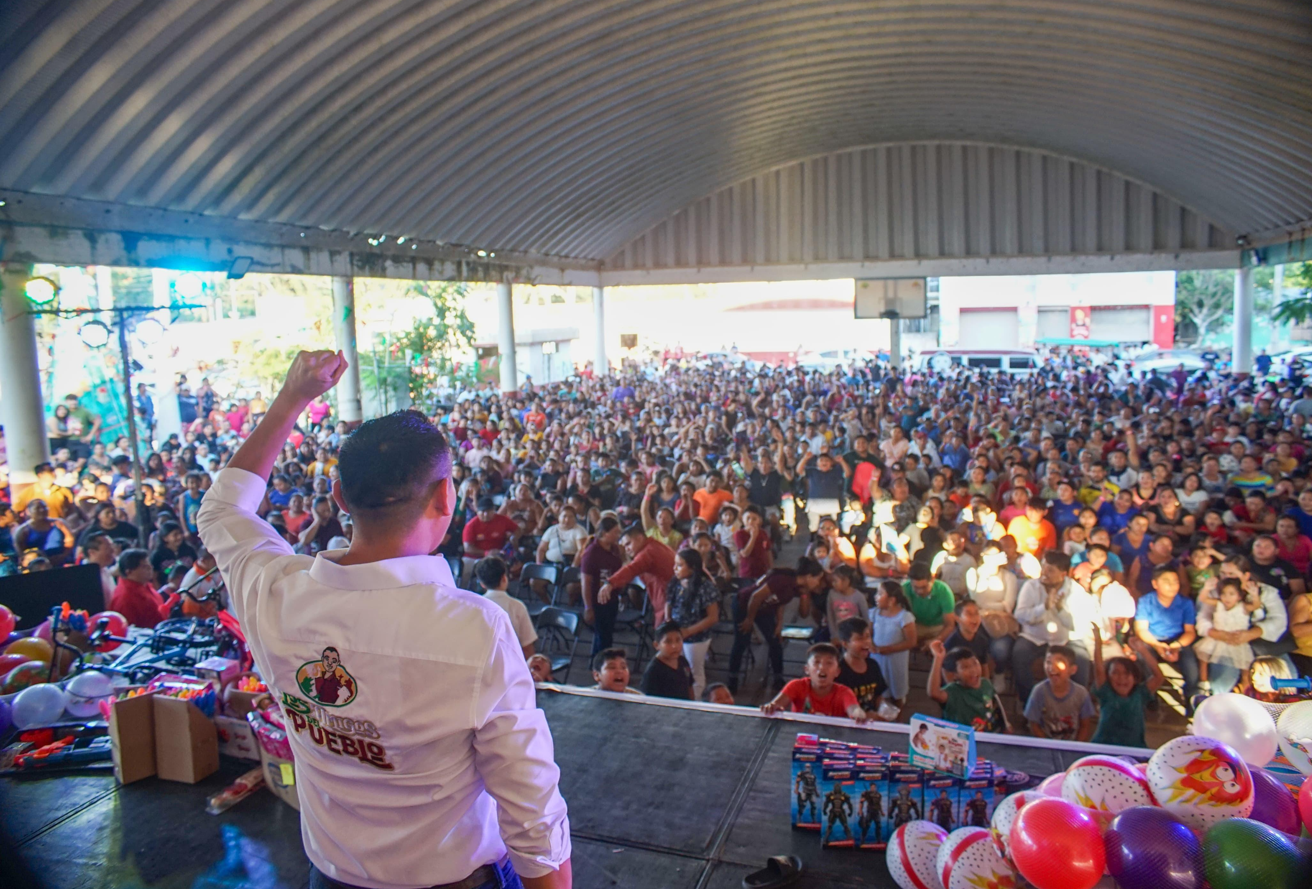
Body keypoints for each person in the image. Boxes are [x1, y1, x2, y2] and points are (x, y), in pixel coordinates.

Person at [196, 351, 571, 889]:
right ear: (446, 495)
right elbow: (531, 805)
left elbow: (221, 510)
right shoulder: (474, 628)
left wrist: (292, 398)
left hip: (331, 875)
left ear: (340, 496)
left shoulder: (270, 590)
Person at [728, 556, 823, 693]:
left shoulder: (798, 587)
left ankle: (778, 678)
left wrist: (779, 623)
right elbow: (756, 597)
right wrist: (749, 619)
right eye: (817, 579)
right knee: (742, 641)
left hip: (765, 609)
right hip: (745, 605)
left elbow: (789, 606)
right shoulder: (783, 580)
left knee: (775, 640)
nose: (818, 583)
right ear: (808, 576)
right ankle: (732, 680)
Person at [1012, 550, 1096, 705]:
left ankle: (1076, 706)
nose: (1044, 573)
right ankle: (1030, 705)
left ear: (1063, 574)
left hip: (1066, 640)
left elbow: (1078, 625)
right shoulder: (1031, 586)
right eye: (1043, 568)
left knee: (1082, 661)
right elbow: (1020, 615)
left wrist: (1059, 609)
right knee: (1019, 655)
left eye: (1050, 570)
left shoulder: (1076, 591)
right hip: (1034, 637)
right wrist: (1044, 607)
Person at [1132, 565, 1201, 707]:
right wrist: (1158, 646)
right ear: (1155, 584)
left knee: (1191, 664)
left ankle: (1190, 697)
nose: (1172, 586)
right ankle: (1150, 693)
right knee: (1142, 657)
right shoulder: (1146, 601)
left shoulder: (1185, 602)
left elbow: (1190, 631)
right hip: (1152, 639)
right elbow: (1141, 629)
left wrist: (1176, 646)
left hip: (1177, 640)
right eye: (1167, 581)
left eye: (1175, 581)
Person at [1089, 624, 1163, 748]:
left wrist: (1143, 650)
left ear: (1135, 678)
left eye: (1126, 673)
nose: (1121, 678)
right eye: (1115, 673)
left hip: (1134, 748)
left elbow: (1159, 676)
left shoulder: (1140, 694)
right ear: (1108, 677)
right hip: (1103, 748)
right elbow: (1099, 669)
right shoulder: (1106, 692)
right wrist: (1098, 642)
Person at [664, 548, 720, 700]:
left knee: (694, 670)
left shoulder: (705, 587)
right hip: (676, 634)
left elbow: (713, 617)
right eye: (675, 564)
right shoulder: (676, 582)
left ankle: (695, 701)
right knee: (676, 667)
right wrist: (668, 619)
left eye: (680, 565)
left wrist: (688, 631)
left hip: (696, 638)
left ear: (692, 567)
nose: (675, 569)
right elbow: (669, 602)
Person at [760, 643, 868, 721]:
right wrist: (771, 707)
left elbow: (853, 709)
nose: (822, 667)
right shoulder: (796, 686)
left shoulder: (844, 692)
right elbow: (776, 704)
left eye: (829, 663)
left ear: (837, 671)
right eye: (816, 662)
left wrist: (858, 714)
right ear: (807, 669)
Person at [1193, 577, 1258, 692]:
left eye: (1231, 594)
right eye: (1224, 594)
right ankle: (1203, 683)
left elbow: (1255, 606)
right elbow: (1203, 598)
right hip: (1218, 638)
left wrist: (1254, 594)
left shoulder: (1243, 607)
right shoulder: (1218, 603)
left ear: (1239, 596)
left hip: (1236, 641)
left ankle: (1246, 690)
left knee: (1245, 667)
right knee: (1204, 657)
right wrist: (1206, 588)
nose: (1227, 597)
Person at [926, 639, 1003, 733]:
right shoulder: (953, 692)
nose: (973, 670)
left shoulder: (986, 684)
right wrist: (938, 658)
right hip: (960, 741)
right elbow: (934, 693)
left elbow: (996, 708)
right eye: (965, 667)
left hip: (987, 737)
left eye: (975, 663)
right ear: (954, 675)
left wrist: (1005, 725)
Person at [1023, 645, 1096, 741]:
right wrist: (1048, 744)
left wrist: (1076, 747)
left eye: (1059, 662)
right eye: (1048, 662)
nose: (1052, 667)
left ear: (1073, 669)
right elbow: (1033, 725)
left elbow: (1085, 726)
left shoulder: (1081, 694)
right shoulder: (1039, 691)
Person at [476, 557, 537, 659]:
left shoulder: (475, 605)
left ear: (482, 584)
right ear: (504, 578)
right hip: (509, 662)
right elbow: (527, 646)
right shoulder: (517, 606)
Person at [580, 516, 625, 657]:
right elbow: (585, 582)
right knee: (603, 635)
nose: (618, 536)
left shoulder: (615, 549)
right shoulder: (592, 553)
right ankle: (601, 663)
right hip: (598, 601)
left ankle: (599, 661)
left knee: (606, 634)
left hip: (612, 598)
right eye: (615, 532)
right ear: (605, 533)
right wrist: (588, 607)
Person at [834, 616, 891, 718]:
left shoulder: (873, 665)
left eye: (868, 636)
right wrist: (865, 716)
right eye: (859, 638)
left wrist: (884, 710)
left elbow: (878, 695)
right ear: (845, 644)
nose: (866, 641)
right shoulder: (838, 671)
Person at [902, 561, 957, 647]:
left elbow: (950, 625)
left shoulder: (944, 590)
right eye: (916, 587)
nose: (920, 591)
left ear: (932, 579)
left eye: (924, 587)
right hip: (915, 625)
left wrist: (936, 640)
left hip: (938, 627)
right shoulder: (904, 589)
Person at [109, 548, 165, 628]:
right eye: (144, 567)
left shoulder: (144, 584)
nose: (150, 568)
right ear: (129, 572)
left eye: (149, 564)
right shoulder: (125, 598)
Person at [639, 622, 694, 700]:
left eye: (678, 640)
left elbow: (689, 687)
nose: (674, 646)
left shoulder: (683, 661)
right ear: (656, 645)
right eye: (668, 642)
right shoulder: (653, 671)